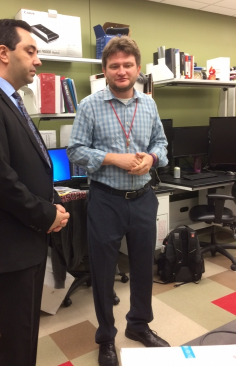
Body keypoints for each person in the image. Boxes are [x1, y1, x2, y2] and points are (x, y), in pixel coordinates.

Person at [0, 19, 70, 366]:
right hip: (8, 249)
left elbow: (27, 166)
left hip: (26, 242)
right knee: (17, 347)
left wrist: (52, 201)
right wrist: (46, 214)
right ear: (3, 53)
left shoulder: (12, 101)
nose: (38, 60)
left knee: (24, 339)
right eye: (31, 51)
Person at [67, 36, 170, 366]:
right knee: (103, 271)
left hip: (142, 198)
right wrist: (115, 158)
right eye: (115, 66)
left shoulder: (149, 104)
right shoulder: (89, 105)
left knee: (143, 267)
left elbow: (161, 144)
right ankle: (106, 338)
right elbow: (76, 151)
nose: (122, 71)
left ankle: (139, 326)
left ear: (138, 69)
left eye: (128, 65)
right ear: (105, 70)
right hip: (106, 201)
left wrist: (151, 160)